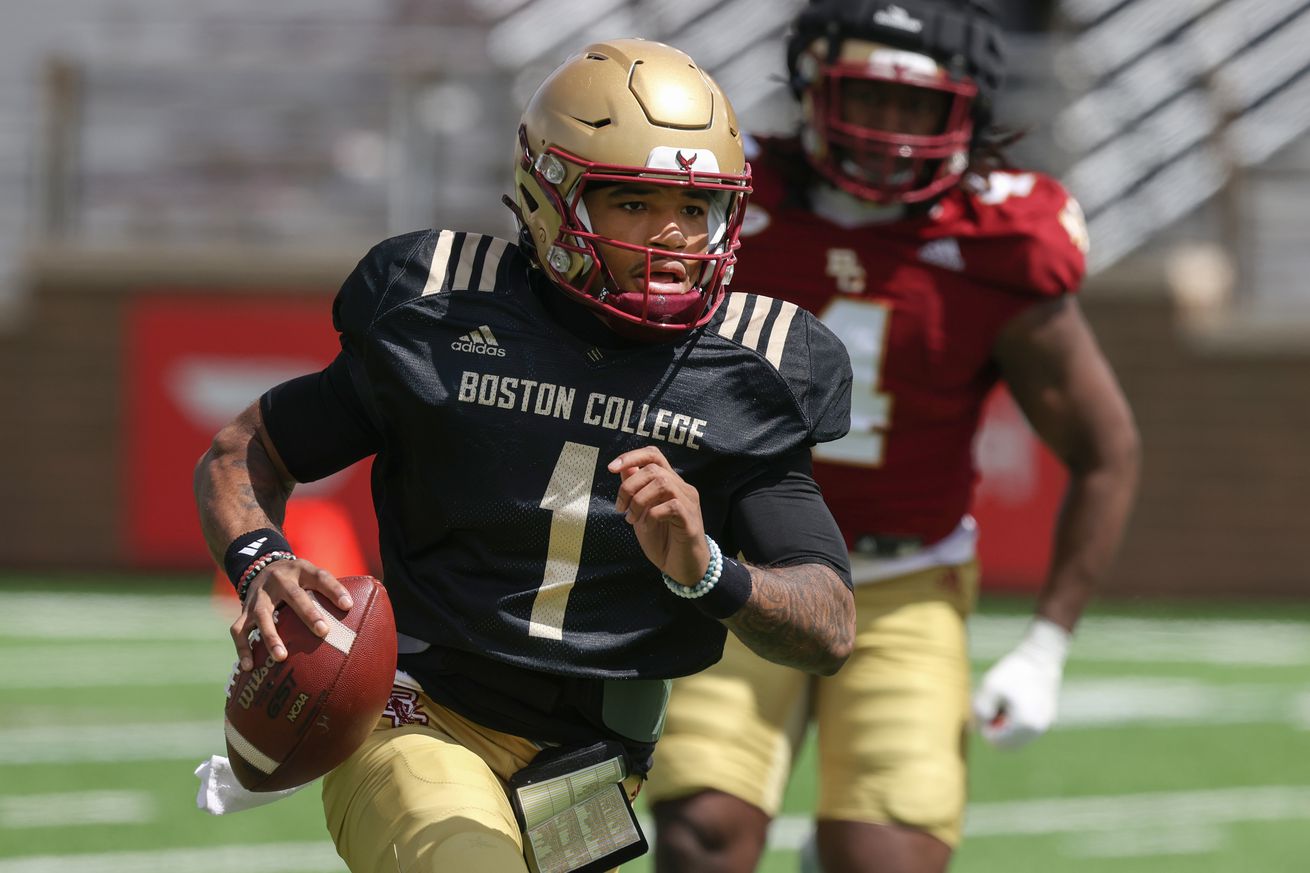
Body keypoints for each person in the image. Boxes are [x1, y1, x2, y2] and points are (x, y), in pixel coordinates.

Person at [192, 37, 858, 873]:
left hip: (594, 765)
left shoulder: (753, 370)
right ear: (553, 199)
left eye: (697, 208)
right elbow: (244, 450)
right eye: (634, 204)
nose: (675, 236)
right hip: (421, 712)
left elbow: (829, 621)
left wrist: (710, 571)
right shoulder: (434, 312)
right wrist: (260, 559)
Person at [646, 3, 1141, 873]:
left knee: (882, 861)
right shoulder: (729, 203)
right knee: (701, 838)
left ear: (969, 111)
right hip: (744, 563)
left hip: (905, 580)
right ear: (812, 88)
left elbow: (1106, 450)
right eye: (869, 100)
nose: (891, 134)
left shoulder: (1000, 243)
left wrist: (1046, 645)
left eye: (918, 107)